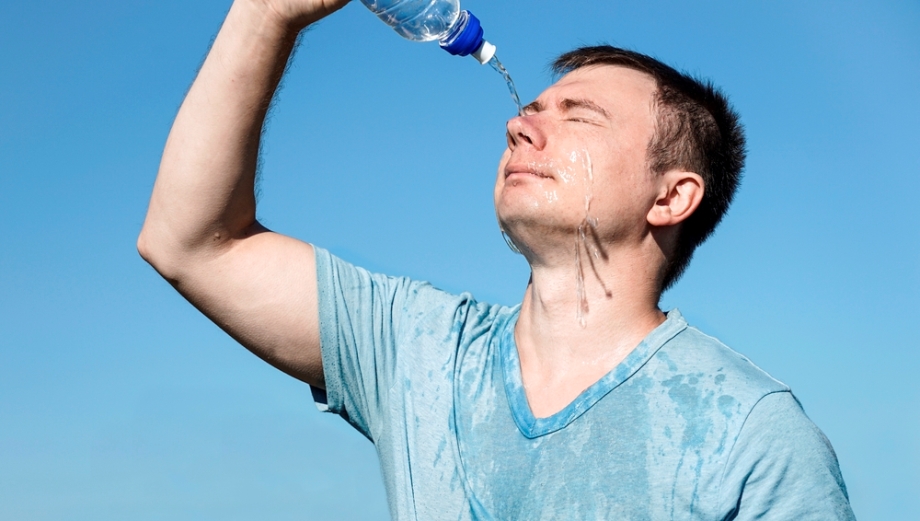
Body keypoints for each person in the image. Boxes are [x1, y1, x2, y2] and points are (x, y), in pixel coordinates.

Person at [138, 0, 856, 519]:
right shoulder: (418, 349)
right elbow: (190, 242)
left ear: (671, 196)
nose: (519, 126)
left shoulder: (748, 433)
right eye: (530, 110)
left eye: (578, 115)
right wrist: (268, 14)